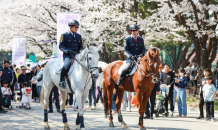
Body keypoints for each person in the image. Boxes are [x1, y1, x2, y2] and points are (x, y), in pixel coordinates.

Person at [59, 19, 84, 88]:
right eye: (75, 27)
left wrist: (82, 50)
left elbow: (81, 46)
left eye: (78, 27)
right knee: (66, 65)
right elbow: (61, 46)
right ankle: (61, 80)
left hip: (76, 55)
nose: (77, 28)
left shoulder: (79, 36)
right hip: (68, 55)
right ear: (70, 27)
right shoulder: (64, 35)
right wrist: (67, 51)